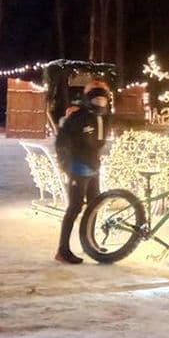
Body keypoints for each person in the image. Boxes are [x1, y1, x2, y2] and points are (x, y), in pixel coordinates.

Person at [54, 81, 111, 264]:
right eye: (96, 99)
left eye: (103, 99)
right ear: (89, 100)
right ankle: (63, 250)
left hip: (93, 168)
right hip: (77, 168)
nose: (100, 102)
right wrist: (65, 163)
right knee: (75, 207)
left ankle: (90, 243)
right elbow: (62, 140)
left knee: (94, 205)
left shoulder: (103, 118)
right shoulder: (79, 117)